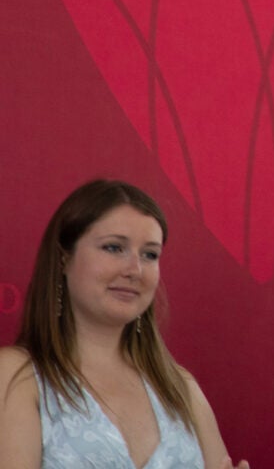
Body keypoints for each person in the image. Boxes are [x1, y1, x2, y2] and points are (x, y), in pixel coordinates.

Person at [0, 179, 249, 469]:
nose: (135, 270)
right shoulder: (15, 375)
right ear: (63, 259)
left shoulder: (181, 387)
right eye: (114, 248)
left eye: (150, 254)